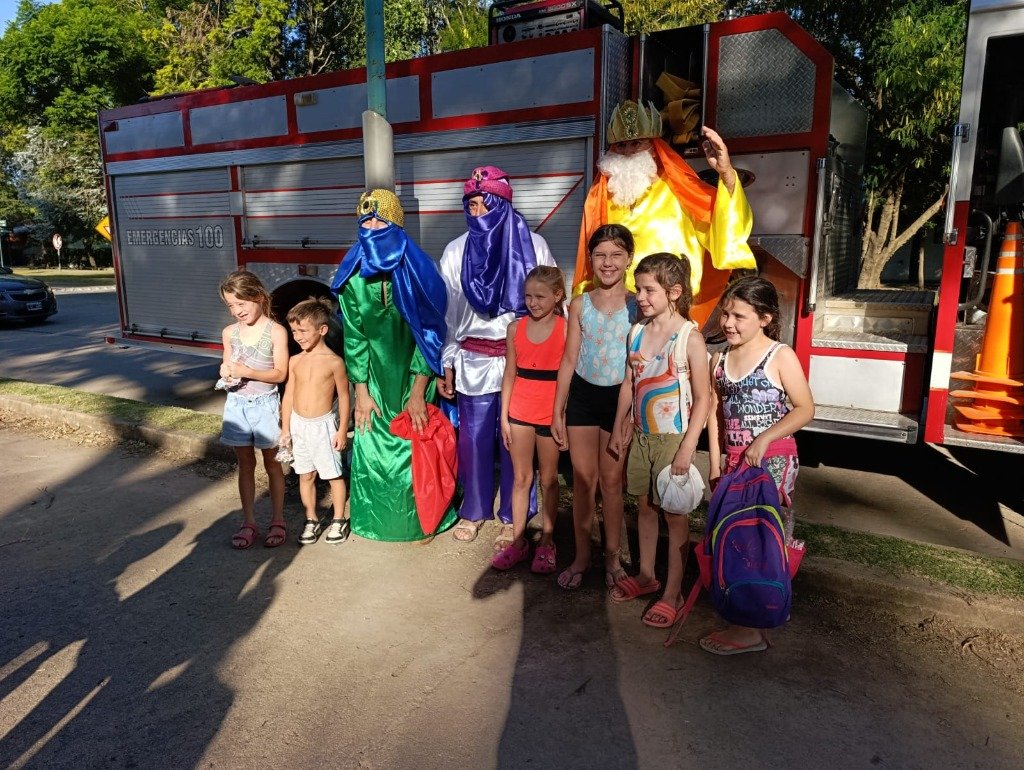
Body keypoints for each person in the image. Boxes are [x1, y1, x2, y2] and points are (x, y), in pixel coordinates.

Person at [437, 166, 557, 550]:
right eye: (470, 206)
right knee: (472, 441)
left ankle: (513, 514)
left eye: (485, 205)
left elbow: (554, 304)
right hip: (473, 360)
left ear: (503, 204)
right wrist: (447, 360)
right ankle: (473, 509)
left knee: (515, 442)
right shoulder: (455, 251)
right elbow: (448, 314)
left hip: (521, 365)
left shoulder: (534, 246)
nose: (477, 214)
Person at [331, 189, 456, 542]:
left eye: (379, 221)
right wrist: (361, 391)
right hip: (373, 380)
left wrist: (418, 391)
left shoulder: (420, 270)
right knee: (371, 440)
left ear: (396, 223)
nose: (371, 228)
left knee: (415, 440)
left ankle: (422, 520)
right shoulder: (352, 275)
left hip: (416, 376)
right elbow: (355, 337)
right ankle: (374, 521)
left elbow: (429, 334)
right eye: (365, 222)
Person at [700, 276, 814, 655]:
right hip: (734, 463)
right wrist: (715, 463)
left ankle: (751, 627)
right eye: (725, 314)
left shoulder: (780, 356)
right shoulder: (719, 359)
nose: (728, 323)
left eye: (739, 316)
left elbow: (805, 408)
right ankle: (747, 618)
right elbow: (715, 414)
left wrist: (763, 439)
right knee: (735, 539)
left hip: (773, 463)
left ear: (765, 318)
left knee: (761, 541)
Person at [572, 100, 756, 326]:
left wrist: (726, 172)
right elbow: (589, 257)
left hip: (668, 312)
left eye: (636, 143)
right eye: (621, 145)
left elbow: (724, 220)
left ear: (653, 147)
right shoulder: (600, 195)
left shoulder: (681, 189)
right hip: (615, 312)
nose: (627, 152)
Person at [608, 254, 711, 628]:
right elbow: (629, 383)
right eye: (639, 289)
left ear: (674, 292)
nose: (640, 297)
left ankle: (673, 592)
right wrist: (619, 426)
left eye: (649, 290)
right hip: (642, 437)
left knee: (675, 515)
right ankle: (647, 576)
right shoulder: (636, 332)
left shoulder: (689, 338)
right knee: (646, 507)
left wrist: (687, 448)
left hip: (673, 439)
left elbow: (704, 399)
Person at [551, 224, 635, 590]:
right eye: (600, 255)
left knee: (612, 482)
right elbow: (569, 359)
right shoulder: (579, 305)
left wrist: (630, 416)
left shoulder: (639, 305)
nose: (608, 262)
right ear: (591, 259)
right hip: (583, 399)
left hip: (619, 400)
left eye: (616, 254)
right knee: (584, 482)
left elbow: (640, 366)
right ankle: (582, 556)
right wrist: (558, 411)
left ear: (629, 259)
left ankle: (612, 557)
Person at [494, 266, 568, 572]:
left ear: (557, 295)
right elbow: (509, 373)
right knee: (521, 478)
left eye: (540, 296)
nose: (533, 302)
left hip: (550, 414)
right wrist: (504, 416)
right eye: (528, 296)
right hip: (520, 412)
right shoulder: (515, 328)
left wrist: (560, 415)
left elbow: (568, 374)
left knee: (549, 479)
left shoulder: (567, 329)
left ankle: (547, 542)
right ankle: (518, 541)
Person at [218, 270, 290, 549]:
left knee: (273, 464)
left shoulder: (276, 331)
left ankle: (278, 520)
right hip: (237, 406)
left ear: (259, 296)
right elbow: (228, 365)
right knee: (245, 464)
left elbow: (280, 374)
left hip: (265, 406)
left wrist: (246, 371)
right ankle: (248, 522)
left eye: (241, 303)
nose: (237, 310)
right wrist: (226, 372)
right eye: (231, 305)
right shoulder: (229, 333)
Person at [279, 297, 351, 546]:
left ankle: (339, 519)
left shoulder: (334, 362)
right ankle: (311, 518)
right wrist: (285, 428)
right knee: (305, 474)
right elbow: (289, 395)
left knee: (333, 474)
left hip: (324, 426)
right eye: (294, 331)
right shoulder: (295, 360)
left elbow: (344, 396)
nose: (297, 336)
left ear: (322, 330)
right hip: (299, 426)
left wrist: (342, 429)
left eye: (303, 331)